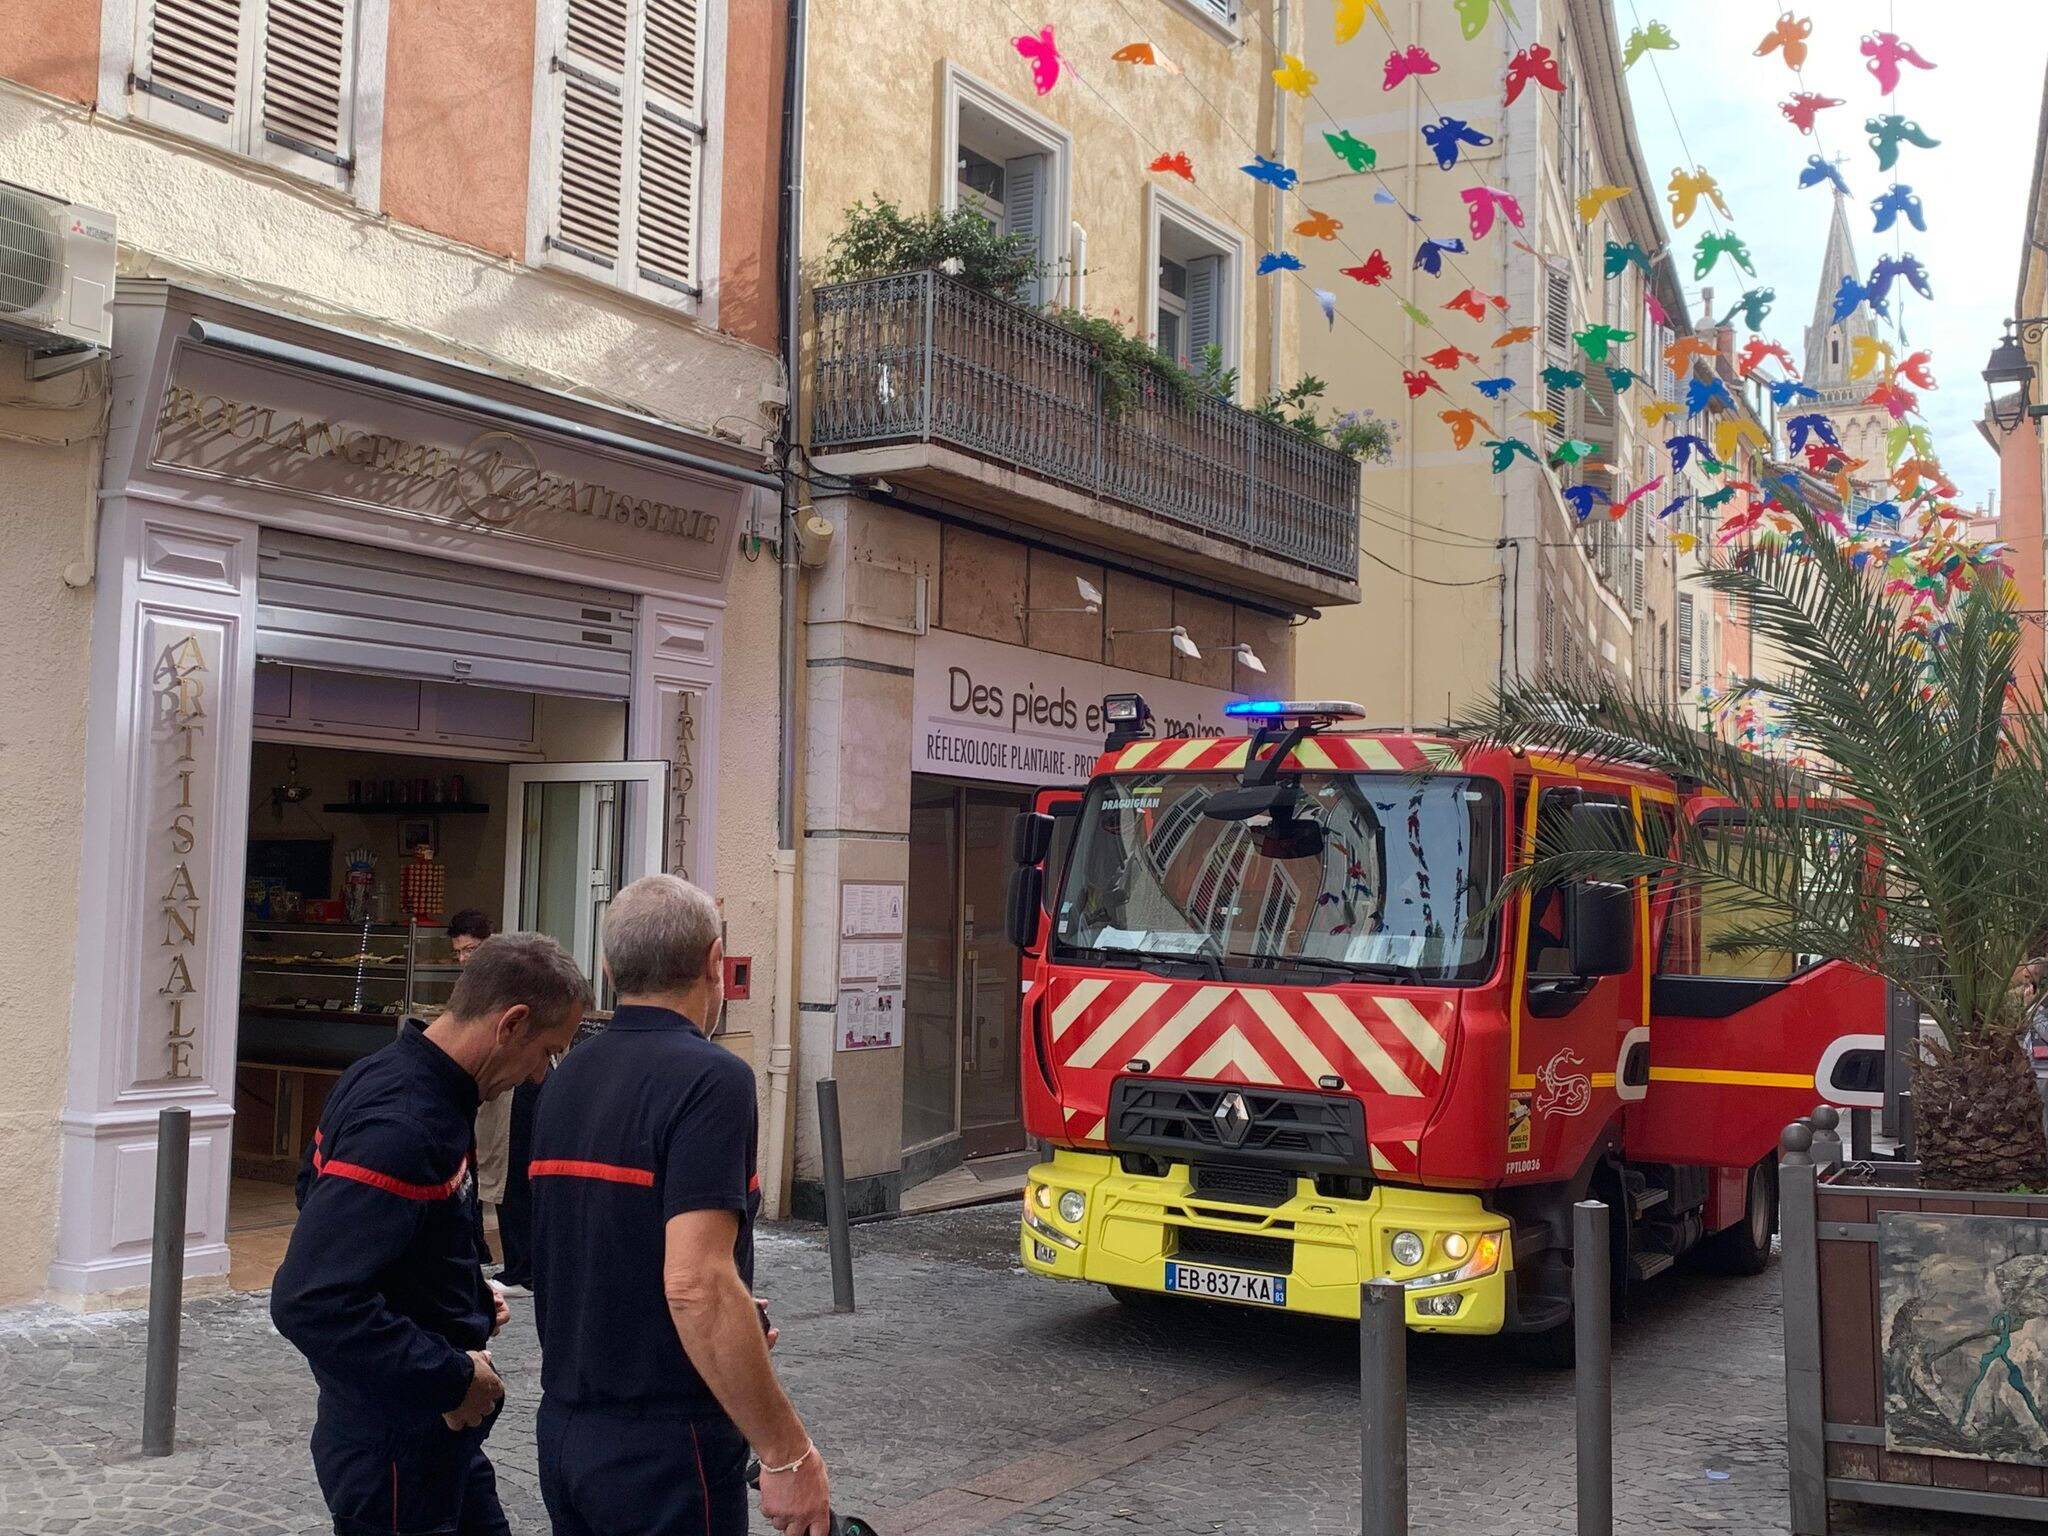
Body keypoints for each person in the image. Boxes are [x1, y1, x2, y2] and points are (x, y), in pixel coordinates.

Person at [529, 873, 831, 1536]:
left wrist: (732, 1326)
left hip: (566, 1430)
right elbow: (695, 1284)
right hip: (666, 1442)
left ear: (608, 970)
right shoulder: (712, 1079)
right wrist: (786, 1454)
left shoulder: (567, 1076)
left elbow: (590, 1243)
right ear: (713, 964)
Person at [272, 933, 591, 1536]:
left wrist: (460, 1290)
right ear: (511, 1024)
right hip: (396, 1447)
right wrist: (450, 1375)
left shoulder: (401, 1079)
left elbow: (327, 1203)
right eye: (546, 1052)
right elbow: (310, 1299)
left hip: (430, 1441)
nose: (541, 1076)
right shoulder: (407, 1122)